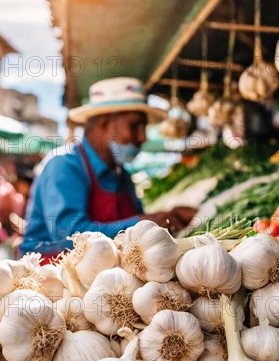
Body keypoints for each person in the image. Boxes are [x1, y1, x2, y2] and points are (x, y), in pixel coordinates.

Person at [22, 77, 197, 257]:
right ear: (103, 122)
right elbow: (70, 237)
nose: (143, 138)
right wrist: (144, 223)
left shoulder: (124, 177)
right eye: (135, 125)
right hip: (52, 276)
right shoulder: (64, 166)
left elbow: (136, 228)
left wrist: (167, 217)